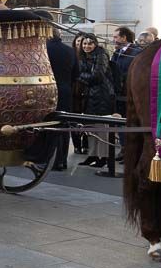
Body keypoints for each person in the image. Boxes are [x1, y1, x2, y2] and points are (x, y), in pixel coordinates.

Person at [40, 18, 78, 171]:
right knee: (63, 125)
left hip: (46, 91)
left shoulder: (42, 50)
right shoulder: (70, 51)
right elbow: (76, 74)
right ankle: (62, 160)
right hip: (65, 90)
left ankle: (48, 158)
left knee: (47, 125)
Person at [77, 33, 115, 169]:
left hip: (102, 96)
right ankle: (92, 155)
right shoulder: (83, 57)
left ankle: (103, 157)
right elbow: (89, 76)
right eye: (85, 43)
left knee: (102, 127)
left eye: (90, 43)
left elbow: (98, 76)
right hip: (89, 96)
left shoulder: (101, 55)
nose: (87, 46)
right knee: (90, 127)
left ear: (95, 44)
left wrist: (80, 76)